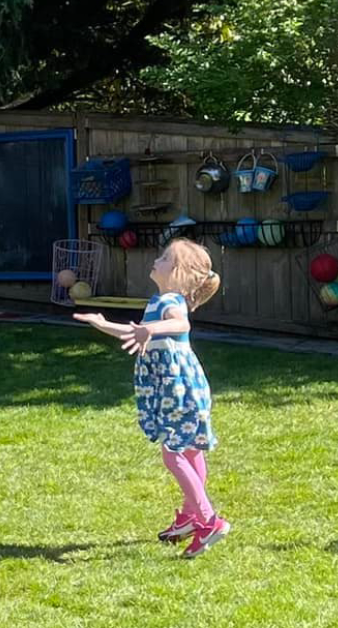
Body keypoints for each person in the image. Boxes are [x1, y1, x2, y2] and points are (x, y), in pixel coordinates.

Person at [76, 238, 228, 557]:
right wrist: (103, 323)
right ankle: (189, 518)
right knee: (189, 451)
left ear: (176, 270)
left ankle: (208, 520)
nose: (155, 261)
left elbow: (179, 323)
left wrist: (152, 331)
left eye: (162, 258)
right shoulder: (161, 300)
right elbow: (135, 333)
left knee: (173, 454)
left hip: (177, 388)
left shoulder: (170, 300)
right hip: (180, 386)